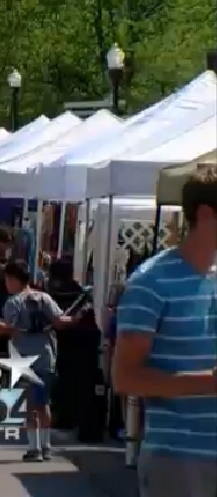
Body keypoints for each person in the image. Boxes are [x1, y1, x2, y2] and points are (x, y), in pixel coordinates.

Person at [112, 168, 217, 494]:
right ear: (205, 213)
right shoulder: (150, 281)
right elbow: (125, 378)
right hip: (179, 459)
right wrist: (210, 382)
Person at [0, 259, 78, 461]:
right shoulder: (44, 298)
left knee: (29, 406)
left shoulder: (13, 303)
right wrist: (78, 316)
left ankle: (34, 448)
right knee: (43, 404)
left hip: (24, 360)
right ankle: (46, 446)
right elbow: (61, 322)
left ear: (14, 279)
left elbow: (7, 329)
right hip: (46, 356)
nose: (6, 285)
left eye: (7, 280)